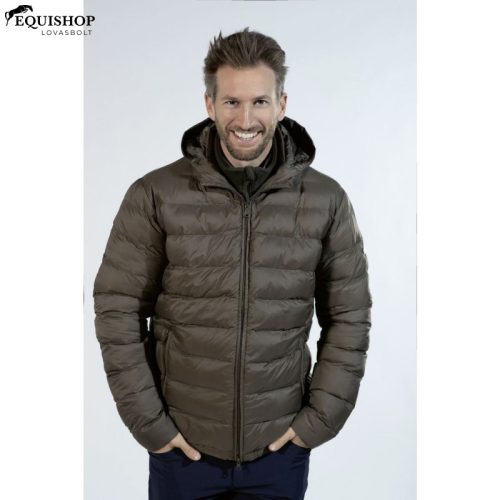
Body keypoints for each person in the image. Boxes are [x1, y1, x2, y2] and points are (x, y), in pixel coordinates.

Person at [93, 27, 372, 500]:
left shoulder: (326, 200)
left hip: (279, 453)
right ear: (209, 104)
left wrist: (317, 423)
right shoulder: (155, 194)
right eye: (231, 102)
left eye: (260, 101)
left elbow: (350, 315)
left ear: (282, 104)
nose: (246, 119)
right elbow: (116, 308)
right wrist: (151, 426)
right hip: (182, 452)